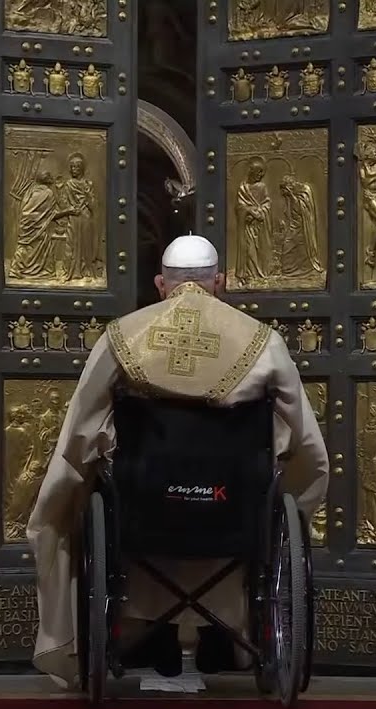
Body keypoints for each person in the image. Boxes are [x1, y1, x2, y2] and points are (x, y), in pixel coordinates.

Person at [26, 234, 329, 685]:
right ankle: (222, 639)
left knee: (87, 495)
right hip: (234, 514)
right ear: (219, 283)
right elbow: (307, 445)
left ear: (159, 285)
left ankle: (152, 635)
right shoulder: (262, 343)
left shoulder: (122, 338)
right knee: (259, 489)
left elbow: (81, 434)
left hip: (143, 514)